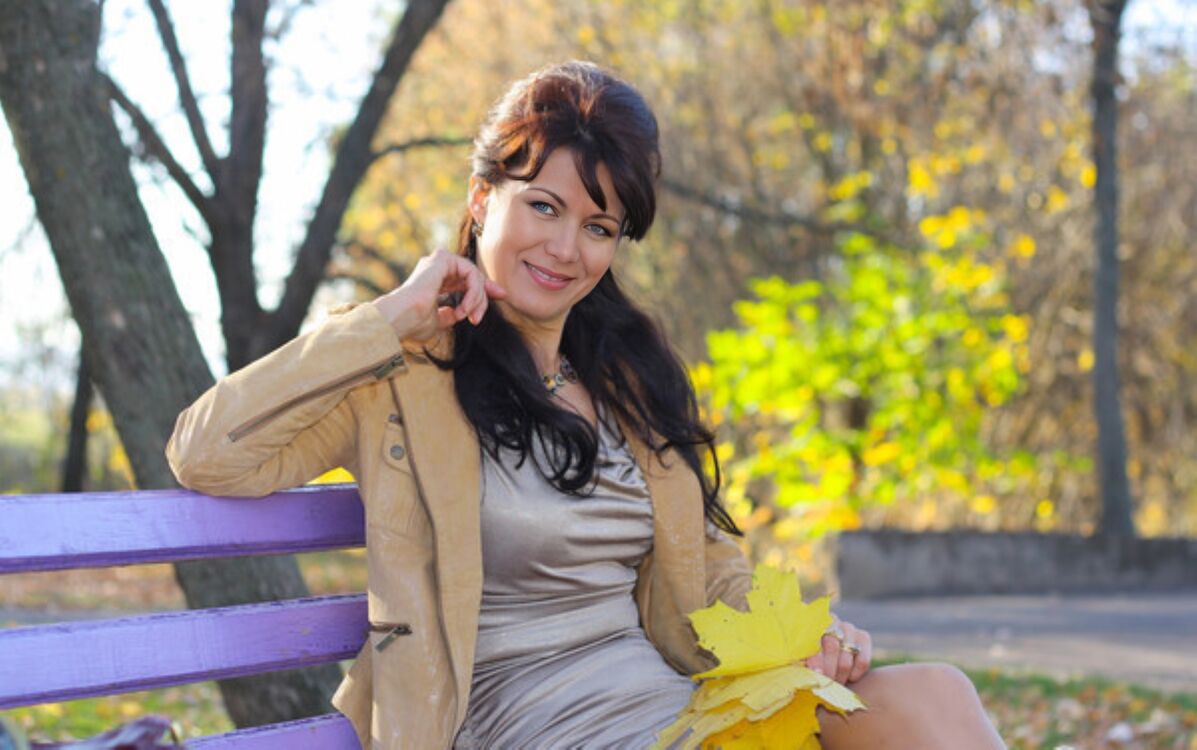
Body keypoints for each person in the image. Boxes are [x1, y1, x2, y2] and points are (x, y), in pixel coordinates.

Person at [167, 61, 1006, 749]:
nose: (565, 249)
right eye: (543, 206)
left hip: (674, 715)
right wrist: (389, 317)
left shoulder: (624, 377)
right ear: (481, 199)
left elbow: (707, 568)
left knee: (934, 696)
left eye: (599, 227)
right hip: (519, 727)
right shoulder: (398, 376)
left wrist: (808, 638)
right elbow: (206, 454)